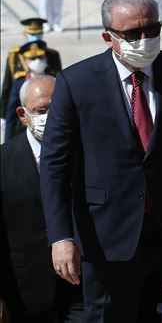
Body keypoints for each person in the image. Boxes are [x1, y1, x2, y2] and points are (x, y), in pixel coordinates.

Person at [40, 0, 162, 321]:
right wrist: (61, 236)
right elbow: (54, 165)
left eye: (151, 30)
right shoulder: (76, 83)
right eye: (132, 33)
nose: (144, 39)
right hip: (107, 234)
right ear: (108, 37)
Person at [0, 74, 85, 323]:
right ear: (22, 115)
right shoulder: (4, 162)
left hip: (83, 286)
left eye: (57, 108)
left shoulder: (89, 153)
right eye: (41, 110)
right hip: (24, 293)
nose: (51, 116)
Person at [1, 18, 63, 120]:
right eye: (32, 34)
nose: (36, 37)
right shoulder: (15, 55)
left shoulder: (52, 55)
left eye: (38, 34)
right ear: (25, 34)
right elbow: (7, 85)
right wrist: (3, 114)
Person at [4, 41, 57, 141]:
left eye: (40, 57)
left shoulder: (56, 80)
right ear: (26, 61)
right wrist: (7, 142)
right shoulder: (19, 83)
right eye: (32, 59)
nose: (37, 61)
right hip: (25, 130)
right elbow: (11, 114)